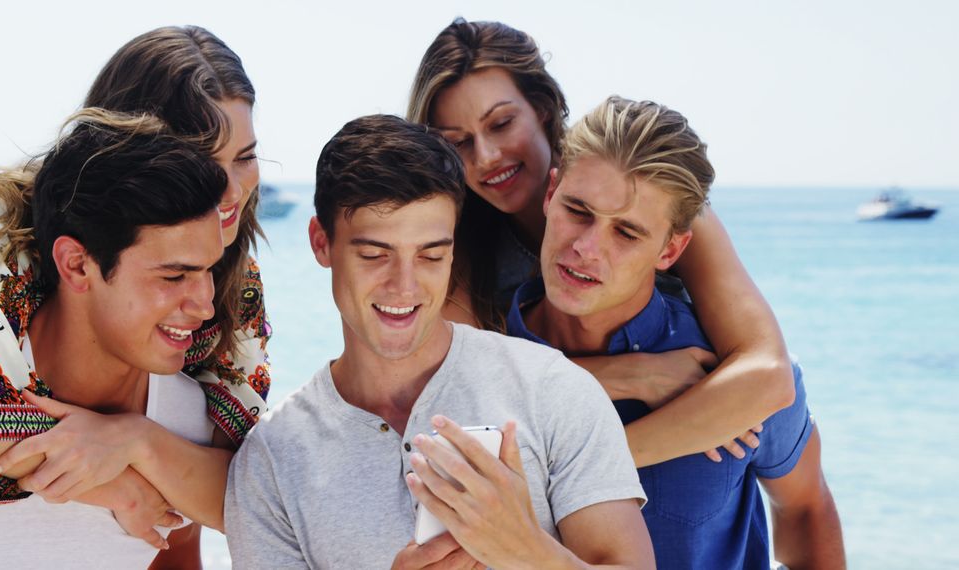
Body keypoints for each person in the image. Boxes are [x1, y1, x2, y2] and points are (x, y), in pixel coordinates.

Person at [0, 25, 269, 562]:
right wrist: (113, 489)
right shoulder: (12, 228)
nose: (228, 192)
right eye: (203, 161)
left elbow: (241, 481)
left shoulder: (234, 271)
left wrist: (133, 440)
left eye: (245, 157)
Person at [225, 114, 654, 569]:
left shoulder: (553, 390)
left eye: (431, 255)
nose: (404, 287)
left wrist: (528, 552)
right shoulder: (271, 460)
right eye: (374, 254)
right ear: (321, 243)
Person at [407, 18, 797, 469]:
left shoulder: (655, 198)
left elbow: (769, 372)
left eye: (502, 123)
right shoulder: (457, 246)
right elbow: (464, 388)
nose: (486, 157)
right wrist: (636, 375)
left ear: (543, 108)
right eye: (458, 143)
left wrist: (602, 468)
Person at [506, 96, 845, 569]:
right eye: (578, 210)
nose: (586, 248)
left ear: (672, 249)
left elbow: (806, 508)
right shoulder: (484, 355)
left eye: (626, 233)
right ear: (551, 194)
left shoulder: (731, 379)